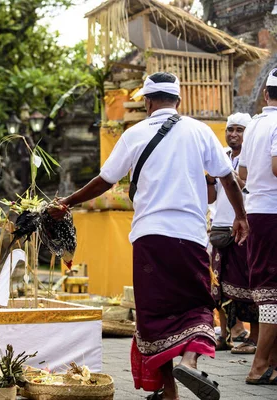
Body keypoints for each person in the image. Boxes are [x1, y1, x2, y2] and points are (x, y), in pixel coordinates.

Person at [49, 72, 248, 400]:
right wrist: (241, 217)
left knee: (155, 318)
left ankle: (170, 393)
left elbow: (104, 180)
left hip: (148, 238)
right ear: (178, 101)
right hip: (190, 236)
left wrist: (67, 202)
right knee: (197, 304)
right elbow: (227, 179)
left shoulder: (134, 134)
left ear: (148, 101)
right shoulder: (200, 131)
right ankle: (189, 359)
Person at [207, 113, 258, 355]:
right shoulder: (223, 158)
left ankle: (254, 338)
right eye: (230, 130)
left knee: (248, 285)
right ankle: (225, 336)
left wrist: (226, 172)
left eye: (239, 130)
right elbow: (211, 198)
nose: (233, 134)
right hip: (220, 227)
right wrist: (209, 177)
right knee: (219, 284)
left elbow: (245, 186)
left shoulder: (252, 159)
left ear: (248, 134)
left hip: (244, 228)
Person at [238, 67, 277, 385]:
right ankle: (259, 364)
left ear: (266, 94)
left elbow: (244, 174)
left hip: (257, 211)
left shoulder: (254, 125)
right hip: (273, 213)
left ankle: (272, 363)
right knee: (272, 292)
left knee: (268, 288)